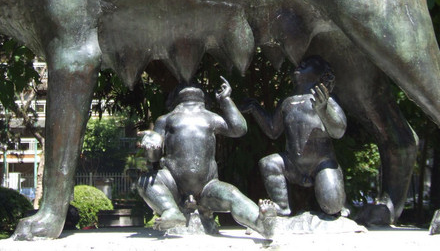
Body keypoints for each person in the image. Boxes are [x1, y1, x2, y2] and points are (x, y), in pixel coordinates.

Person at [137, 77, 276, 237]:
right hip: (172, 182)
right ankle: (171, 210)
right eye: (184, 85)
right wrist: (150, 146)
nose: (190, 86)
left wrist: (226, 100)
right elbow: (154, 157)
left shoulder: (211, 117)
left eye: (195, 84)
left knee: (232, 194)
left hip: (208, 186)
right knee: (145, 182)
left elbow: (239, 128)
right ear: (174, 98)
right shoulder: (165, 119)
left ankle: (261, 222)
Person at [241, 56, 347, 217]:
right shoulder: (287, 101)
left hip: (321, 163)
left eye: (308, 64)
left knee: (332, 207)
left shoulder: (328, 99)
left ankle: (340, 203)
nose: (300, 65)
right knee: (269, 163)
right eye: (300, 63)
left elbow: (338, 131)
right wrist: (255, 108)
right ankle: (281, 206)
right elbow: (273, 131)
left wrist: (323, 109)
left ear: (321, 75)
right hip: (292, 164)